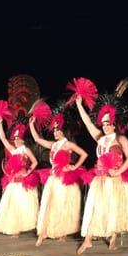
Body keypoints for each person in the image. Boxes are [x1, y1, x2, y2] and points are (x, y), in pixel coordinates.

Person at [75, 78, 128, 254]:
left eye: (108, 123)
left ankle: (112, 239)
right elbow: (88, 124)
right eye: (103, 123)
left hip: (116, 179)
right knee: (94, 207)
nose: (104, 126)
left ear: (114, 123)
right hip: (100, 178)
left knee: (114, 208)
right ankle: (88, 239)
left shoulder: (121, 139)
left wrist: (118, 171)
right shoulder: (100, 138)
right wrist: (80, 105)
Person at [29, 101, 88, 247]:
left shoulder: (68, 144)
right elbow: (37, 140)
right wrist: (32, 124)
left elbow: (84, 154)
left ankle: (62, 232)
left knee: (63, 205)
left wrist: (74, 167)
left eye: (57, 130)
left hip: (64, 179)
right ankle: (43, 232)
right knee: (48, 203)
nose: (55, 132)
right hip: (53, 178)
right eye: (54, 130)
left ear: (63, 130)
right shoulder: (53, 145)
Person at [0, 114, 39, 240]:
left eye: (17, 138)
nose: (14, 140)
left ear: (22, 139)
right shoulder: (14, 150)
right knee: (7, 206)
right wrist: (0, 124)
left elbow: (35, 162)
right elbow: (3, 139)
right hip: (13, 183)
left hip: (22, 183)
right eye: (14, 138)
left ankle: (17, 229)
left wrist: (28, 172)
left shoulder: (26, 150)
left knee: (21, 206)